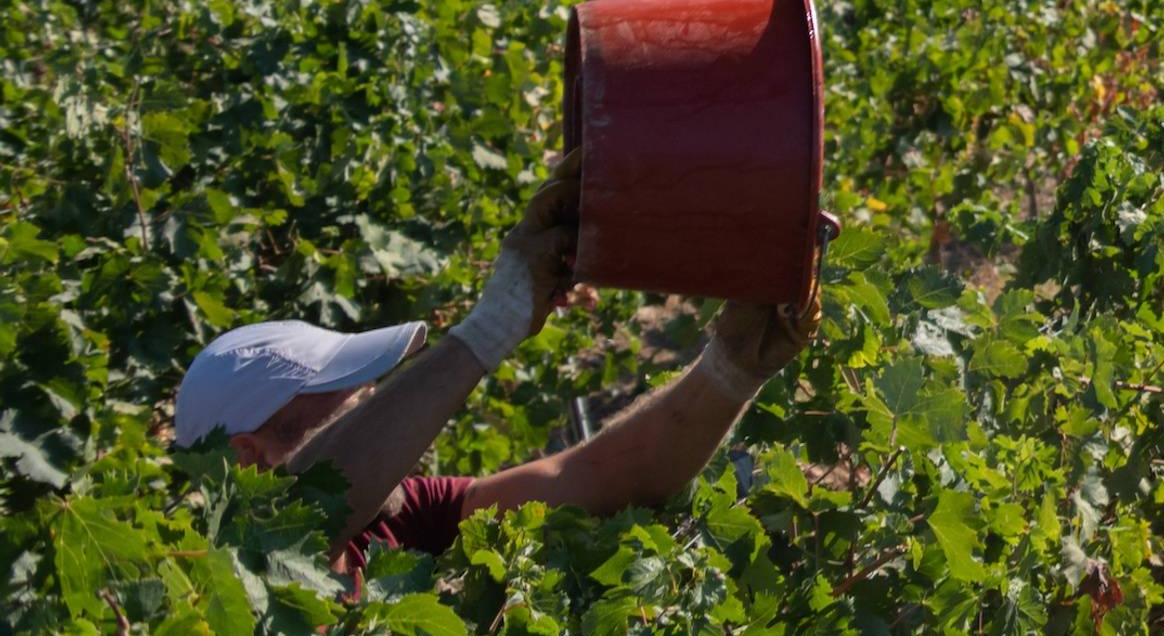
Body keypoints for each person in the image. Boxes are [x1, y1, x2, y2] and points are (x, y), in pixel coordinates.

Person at [171, 158, 824, 561]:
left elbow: (600, 478)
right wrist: (492, 327)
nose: (369, 396)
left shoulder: (394, 529)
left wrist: (731, 370)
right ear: (247, 460)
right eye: (340, 393)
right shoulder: (215, 576)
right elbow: (304, 515)